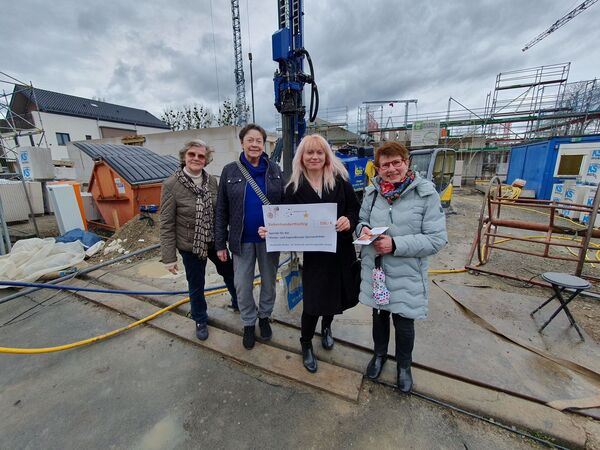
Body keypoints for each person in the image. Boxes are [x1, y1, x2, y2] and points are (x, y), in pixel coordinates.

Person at [259, 134, 360, 373]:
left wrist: (349, 221)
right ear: (301, 158)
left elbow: (354, 209)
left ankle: (326, 327)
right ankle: (305, 343)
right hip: (314, 255)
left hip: (340, 250)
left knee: (336, 296)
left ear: (326, 156)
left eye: (319, 152)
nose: (314, 157)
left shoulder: (339, 180)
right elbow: (284, 217)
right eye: (309, 153)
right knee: (313, 302)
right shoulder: (293, 187)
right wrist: (270, 229)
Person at [356, 141, 447, 392]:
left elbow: (437, 239)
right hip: (377, 270)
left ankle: (404, 366)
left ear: (407, 163)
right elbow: (362, 220)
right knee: (379, 317)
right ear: (378, 168)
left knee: (404, 322)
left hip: (407, 273)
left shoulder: (426, 194)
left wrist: (395, 244)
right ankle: (379, 356)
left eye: (397, 162)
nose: (392, 169)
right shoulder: (372, 193)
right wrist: (361, 229)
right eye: (385, 164)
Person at [160, 140, 239, 341]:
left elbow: (221, 211)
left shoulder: (211, 181)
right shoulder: (171, 185)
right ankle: (200, 319)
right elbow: (167, 224)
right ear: (184, 157)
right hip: (190, 246)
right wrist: (169, 257)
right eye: (192, 154)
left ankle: (239, 303)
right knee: (196, 284)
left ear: (206, 160)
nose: (196, 158)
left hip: (215, 240)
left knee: (230, 273)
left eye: (201, 156)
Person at [216, 124, 284, 350]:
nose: (254, 144)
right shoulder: (230, 171)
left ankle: (264, 317)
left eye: (258, 141)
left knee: (269, 283)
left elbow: (285, 205)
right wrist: (220, 243)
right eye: (250, 140)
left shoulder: (274, 170)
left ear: (263, 144)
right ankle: (248, 322)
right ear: (242, 143)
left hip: (270, 239)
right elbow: (221, 210)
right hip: (241, 240)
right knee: (242, 285)